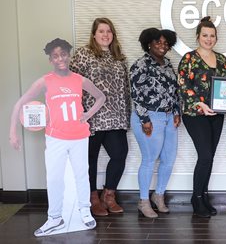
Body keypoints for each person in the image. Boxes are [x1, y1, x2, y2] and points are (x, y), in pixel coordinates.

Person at [9, 38, 106, 237]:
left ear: (68, 56)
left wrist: (88, 115)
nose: (60, 58)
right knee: (54, 178)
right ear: (50, 59)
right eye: (55, 56)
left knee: (81, 174)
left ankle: (85, 211)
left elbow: (101, 97)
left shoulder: (79, 79)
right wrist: (13, 132)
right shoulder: (44, 81)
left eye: (63, 54)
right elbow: (19, 104)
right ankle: (54, 218)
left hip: (79, 136)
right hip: (56, 137)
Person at [70, 17, 131, 216]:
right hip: (91, 118)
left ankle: (109, 195)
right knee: (90, 160)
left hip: (115, 118)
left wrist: (126, 117)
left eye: (109, 31)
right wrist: (77, 114)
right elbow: (73, 85)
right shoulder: (83, 54)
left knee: (120, 154)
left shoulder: (119, 58)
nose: (106, 35)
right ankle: (92, 198)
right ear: (94, 34)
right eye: (101, 31)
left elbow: (125, 90)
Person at [178, 16, 226, 218]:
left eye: (212, 36)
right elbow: (183, 85)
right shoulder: (189, 59)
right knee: (205, 156)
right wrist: (199, 104)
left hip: (216, 115)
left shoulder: (222, 60)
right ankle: (196, 198)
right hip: (195, 114)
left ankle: (204, 195)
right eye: (205, 35)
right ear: (198, 37)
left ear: (216, 38)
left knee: (210, 158)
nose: (209, 39)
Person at [130, 28, 181, 218]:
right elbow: (136, 95)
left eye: (166, 43)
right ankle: (143, 201)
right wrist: (145, 120)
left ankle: (158, 196)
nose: (163, 45)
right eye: (158, 42)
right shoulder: (140, 65)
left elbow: (174, 92)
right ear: (148, 43)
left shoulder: (168, 64)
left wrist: (176, 112)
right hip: (150, 118)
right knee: (149, 160)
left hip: (169, 118)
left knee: (169, 160)